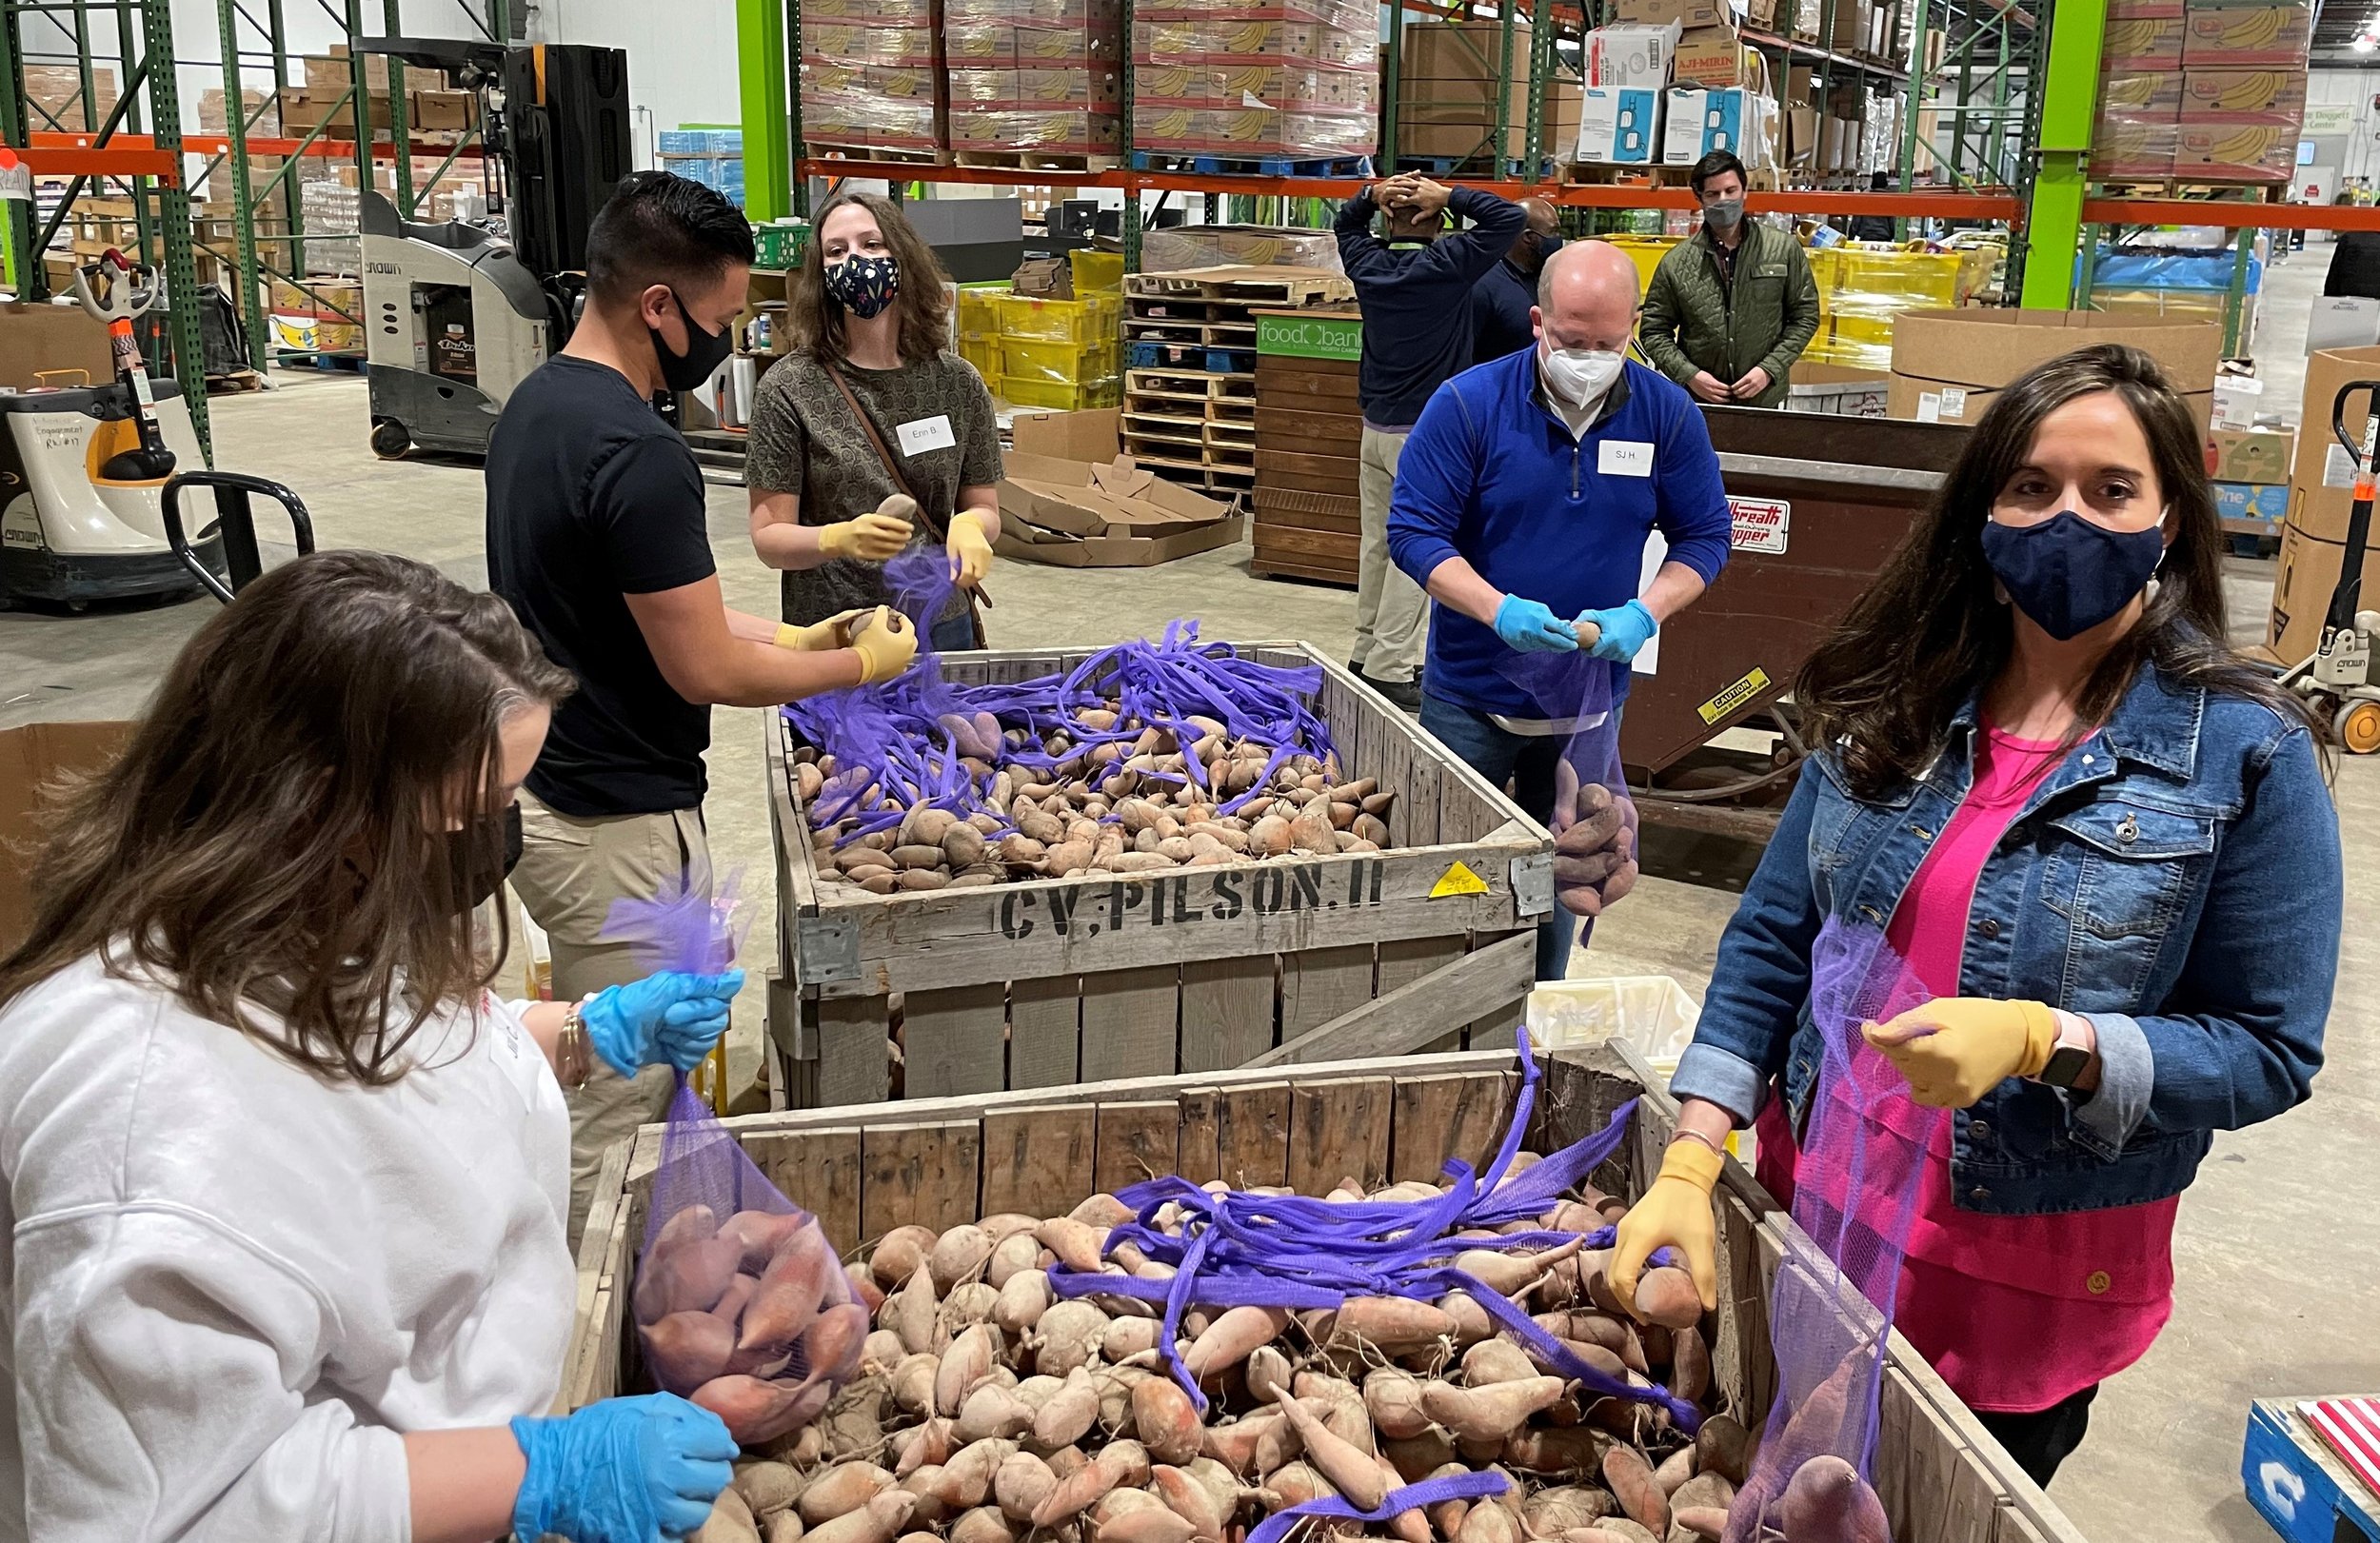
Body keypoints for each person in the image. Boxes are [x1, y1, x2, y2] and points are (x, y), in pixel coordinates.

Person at [1611, 344, 2342, 1487]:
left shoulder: (2247, 753)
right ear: (1982, 511)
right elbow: (1771, 941)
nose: (2067, 520)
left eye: (2111, 492)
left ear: (2168, 521)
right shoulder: (1889, 698)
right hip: (1819, 1212)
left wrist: (2056, 1043)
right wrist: (1692, 1159)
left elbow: (2267, 1049)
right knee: (1787, 1487)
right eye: (2031, 487)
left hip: (2020, 1272)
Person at [0, 550, 751, 1541]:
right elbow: (184, 1508)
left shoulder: (299, 917)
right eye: (472, 815)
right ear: (314, 808)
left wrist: (581, 1032)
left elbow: (396, 1057)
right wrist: (536, 1475)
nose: (497, 844)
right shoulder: (147, 1137)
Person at [486, 169, 918, 1241]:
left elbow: (656, 618)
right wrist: (856, 669)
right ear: (659, 308)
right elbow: (704, 674)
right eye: (722, 319)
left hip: (546, 791)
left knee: (602, 1065)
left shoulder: (542, 406)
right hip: (613, 818)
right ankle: (592, 1325)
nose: (727, 342)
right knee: (617, 1099)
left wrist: (798, 632)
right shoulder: (638, 451)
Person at [1387, 240, 1733, 981]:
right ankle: (1447, 1014)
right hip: (1472, 698)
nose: (1589, 359)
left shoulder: (1666, 416)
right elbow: (1413, 532)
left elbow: (1705, 537)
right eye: (1572, 342)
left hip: (1588, 708)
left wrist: (1644, 613)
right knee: (1451, 875)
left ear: (1634, 328)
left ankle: (1541, 1010)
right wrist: (1495, 608)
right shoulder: (1469, 405)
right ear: (1538, 322)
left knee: (1568, 876)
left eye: (1608, 344)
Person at [747, 188, 1004, 654]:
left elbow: (985, 508)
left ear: (902, 257)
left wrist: (971, 526)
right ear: (821, 276)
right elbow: (769, 539)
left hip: (941, 622)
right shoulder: (789, 387)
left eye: (872, 245)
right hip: (839, 630)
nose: (856, 261)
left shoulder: (957, 382)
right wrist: (837, 538)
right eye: (836, 251)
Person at [1337, 173, 1527, 712]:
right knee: (1415, 551)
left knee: (1376, 547)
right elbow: (1509, 219)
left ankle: (1366, 651)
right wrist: (1449, 196)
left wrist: (1370, 198)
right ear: (1434, 220)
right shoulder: (1446, 267)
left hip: (1374, 429)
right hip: (1423, 435)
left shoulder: (1367, 265)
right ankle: (1391, 668)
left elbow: (1343, 224)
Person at [1638, 149, 1820, 409]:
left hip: (1765, 400)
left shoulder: (1782, 250)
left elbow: (1805, 316)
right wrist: (1690, 375)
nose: (1723, 200)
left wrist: (1770, 368)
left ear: (1744, 192)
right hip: (1698, 404)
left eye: (1730, 191)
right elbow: (1654, 331)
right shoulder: (1676, 263)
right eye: (1713, 194)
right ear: (1699, 198)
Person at [1471, 196, 1564, 363]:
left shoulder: (1548, 278)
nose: (1558, 238)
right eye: (1553, 231)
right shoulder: (1484, 286)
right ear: (1528, 237)